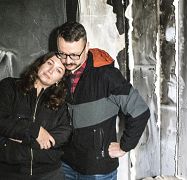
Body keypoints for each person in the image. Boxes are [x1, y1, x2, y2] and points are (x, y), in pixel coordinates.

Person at [55, 21, 151, 179]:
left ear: (87, 47)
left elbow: (140, 111)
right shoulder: (59, 71)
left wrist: (124, 146)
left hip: (97, 169)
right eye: (62, 53)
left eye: (74, 55)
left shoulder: (108, 75)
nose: (68, 61)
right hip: (66, 163)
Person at [0, 52, 72, 180]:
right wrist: (35, 130)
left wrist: (24, 138)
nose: (51, 71)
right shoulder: (10, 86)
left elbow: (64, 134)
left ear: (59, 80)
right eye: (49, 63)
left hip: (49, 173)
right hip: (8, 172)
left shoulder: (60, 103)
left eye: (58, 70)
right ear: (40, 64)